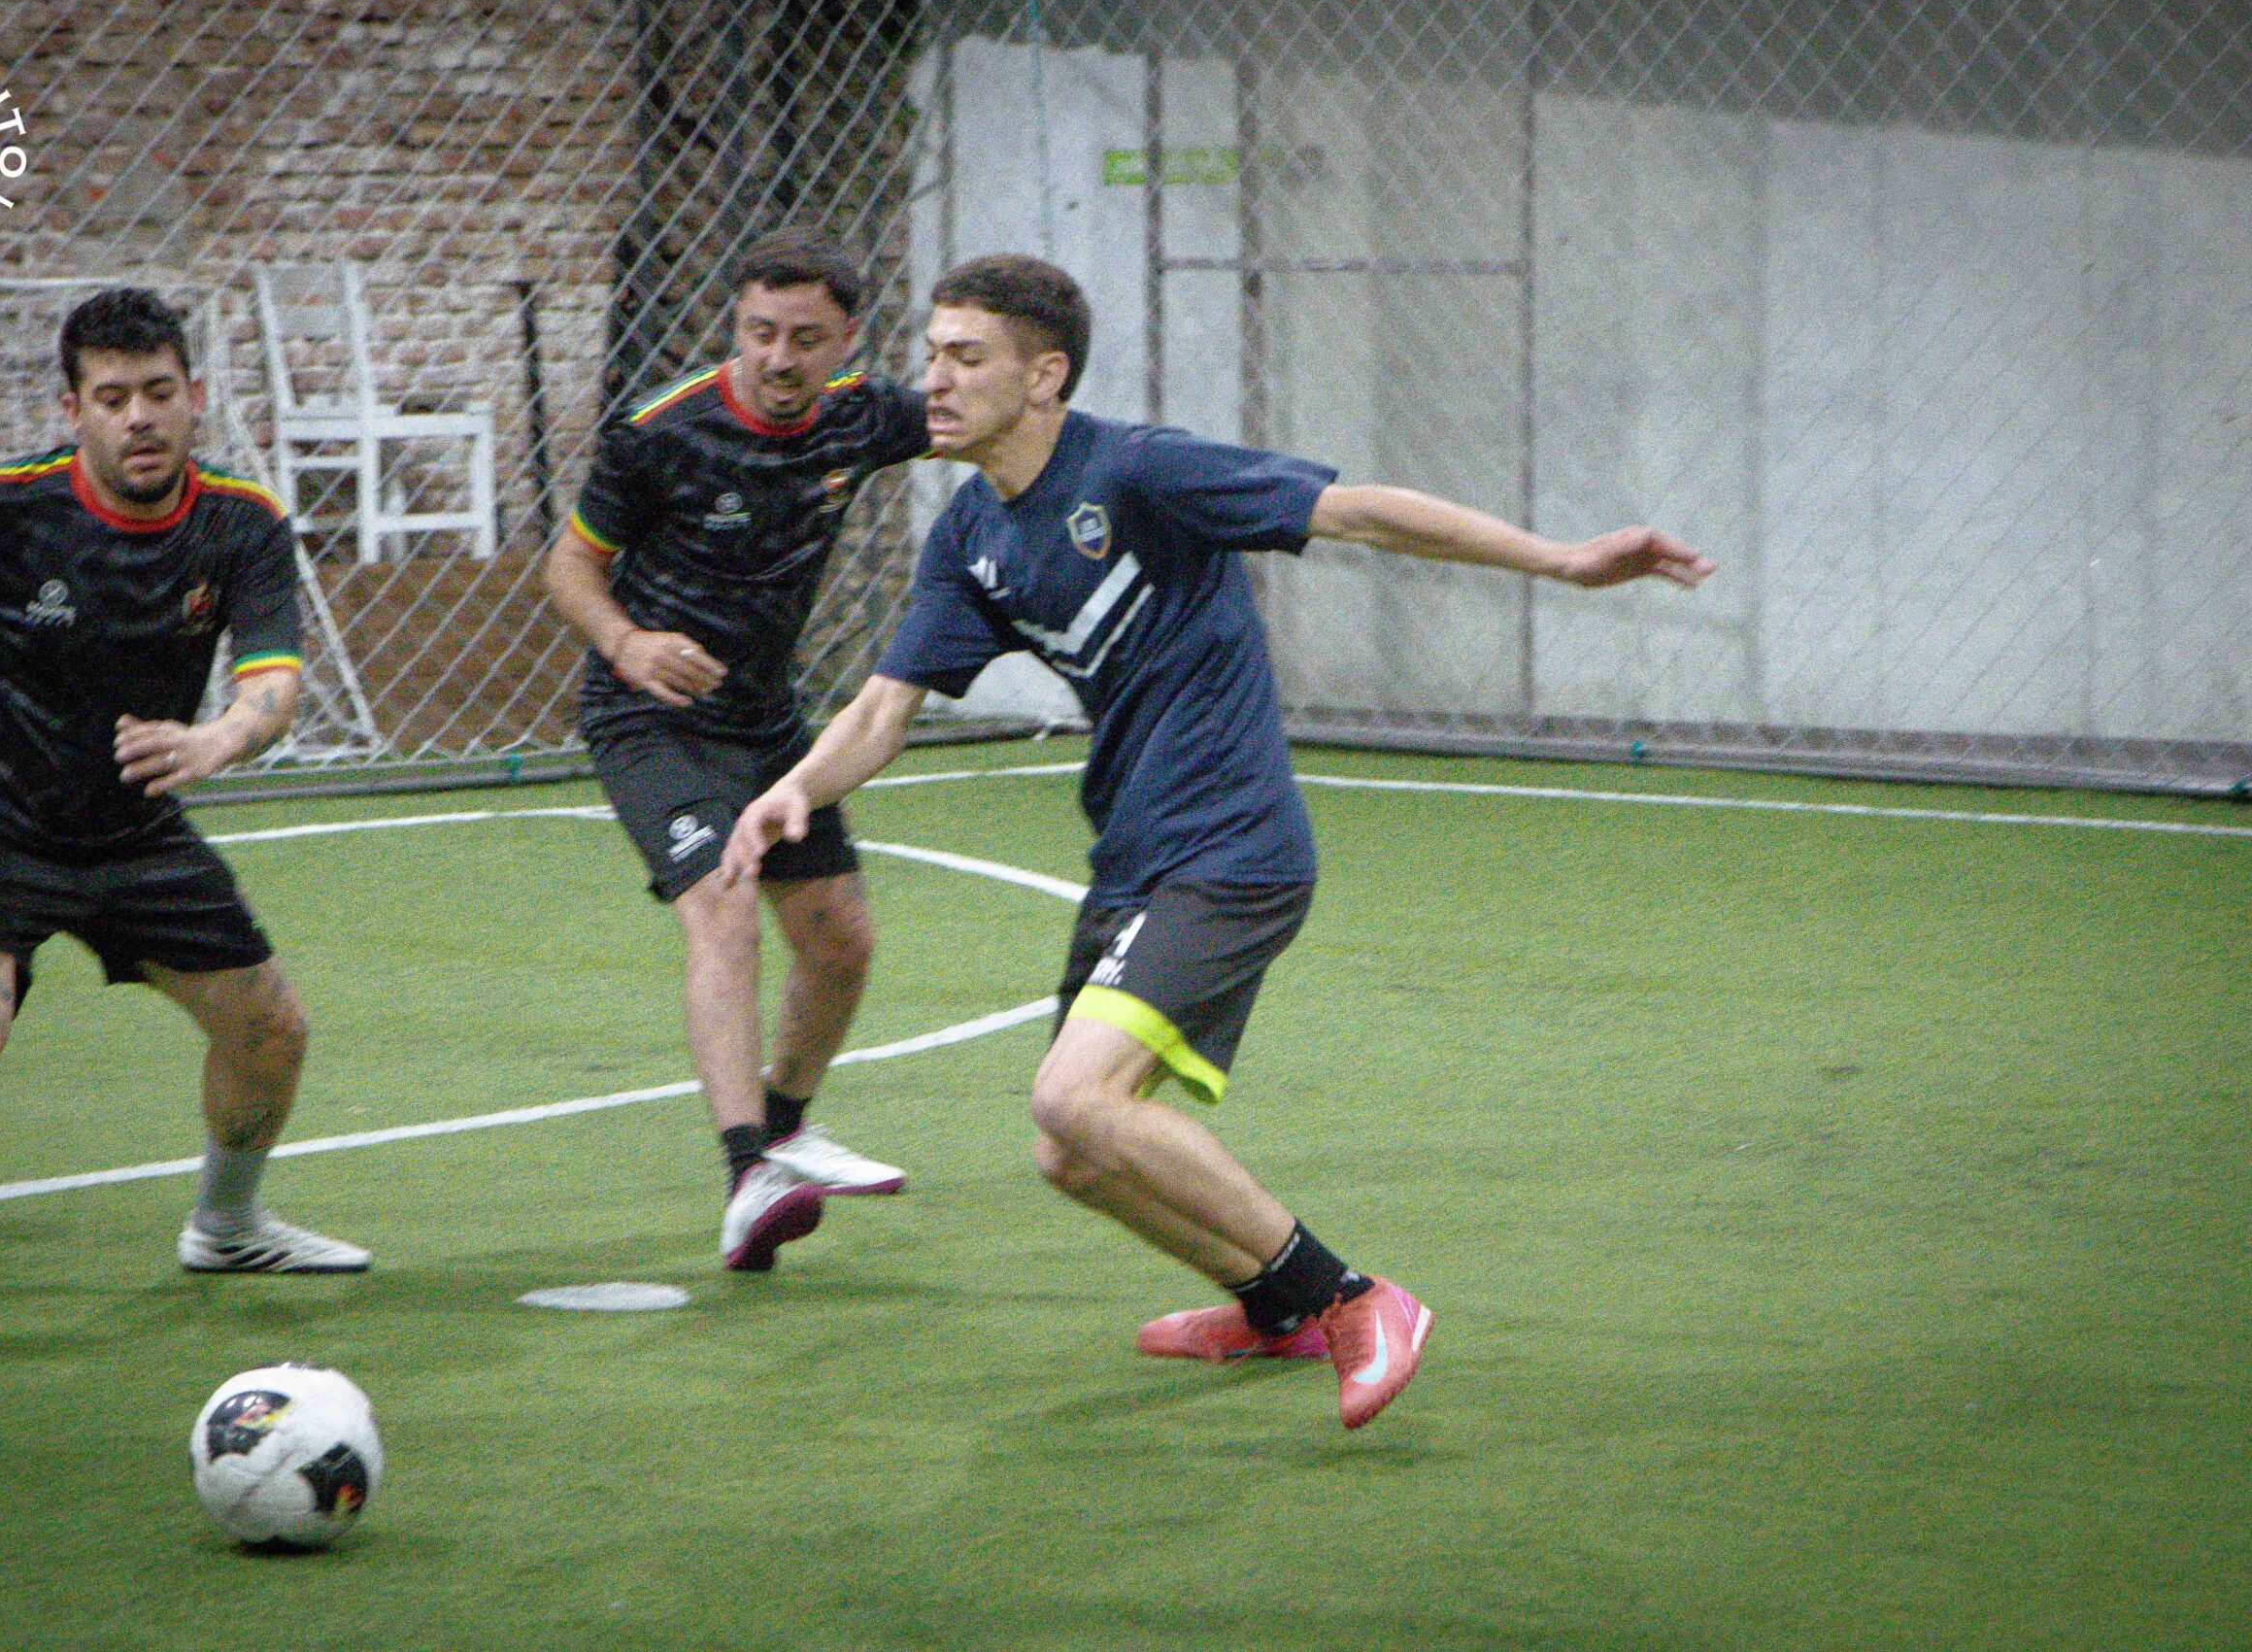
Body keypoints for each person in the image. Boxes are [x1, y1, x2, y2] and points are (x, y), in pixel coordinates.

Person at [723, 254, 1715, 1428]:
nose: (932, 379)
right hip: (1134, 857)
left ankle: (1351, 1298)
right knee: (1072, 1152)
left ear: (1043, 376)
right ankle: (1272, 1309)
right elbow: (885, 707)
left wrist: (1559, 559)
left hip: (1230, 847)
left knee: (1074, 1097)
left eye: (965, 357)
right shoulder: (972, 533)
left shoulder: (1139, 470)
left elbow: (1359, 512)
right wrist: (795, 790)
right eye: (930, 354)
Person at [0, 287, 369, 1291]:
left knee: (271, 1028)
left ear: (195, 397)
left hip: (130, 828)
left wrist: (219, 737)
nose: (140, 418)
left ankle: (226, 1228)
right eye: (112, 398)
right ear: (72, 409)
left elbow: (272, 687)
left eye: (159, 393)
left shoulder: (243, 525)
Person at [541, 229, 931, 1271]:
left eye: (805, 338)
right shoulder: (659, 433)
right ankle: (746, 1170)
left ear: (846, 340)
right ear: (736, 329)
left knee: (840, 940)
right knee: (722, 901)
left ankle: (788, 1130)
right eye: (759, 332)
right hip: (649, 718)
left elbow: (975, 419)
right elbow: (569, 567)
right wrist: (626, 642)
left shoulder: (862, 416)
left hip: (766, 721)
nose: (778, 357)